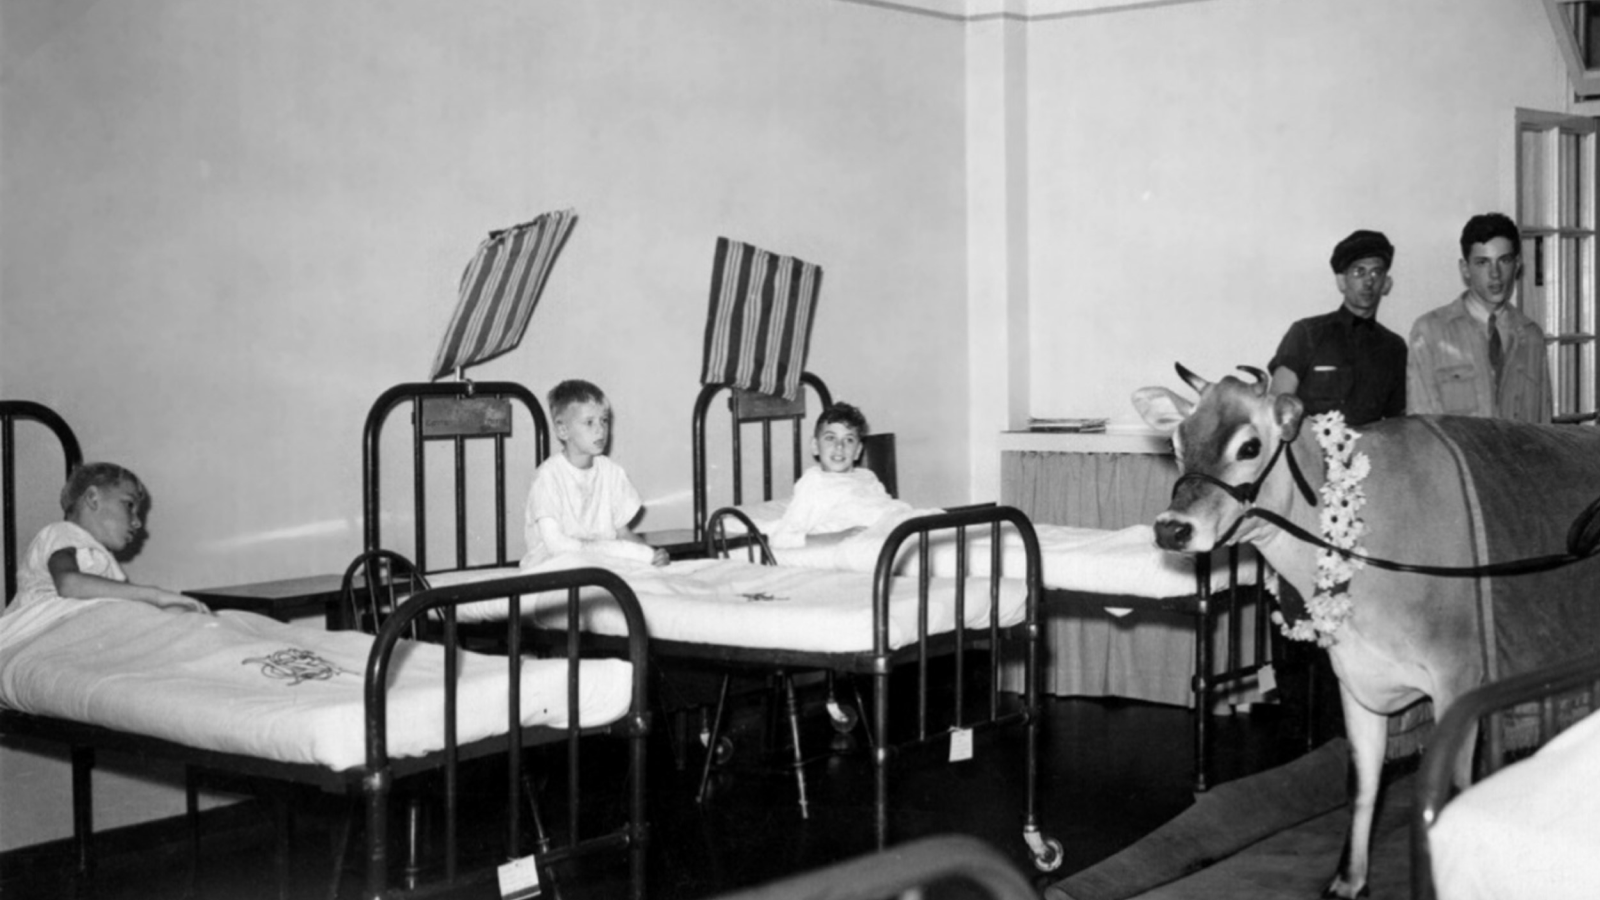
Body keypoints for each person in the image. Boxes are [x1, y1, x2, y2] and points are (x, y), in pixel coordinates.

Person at [5, 462, 210, 621]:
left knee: (175, 616)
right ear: (93, 498)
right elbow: (68, 584)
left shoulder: (102, 559)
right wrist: (155, 595)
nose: (137, 522)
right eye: (129, 505)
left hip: (80, 624)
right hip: (38, 628)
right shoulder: (61, 532)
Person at [1407, 213, 1551, 423]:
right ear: (1465, 269)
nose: (1495, 274)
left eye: (1504, 260)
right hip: (1458, 456)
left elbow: (1544, 428)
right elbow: (1422, 431)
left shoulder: (1531, 336)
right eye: (1483, 263)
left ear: (1518, 264)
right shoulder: (1430, 332)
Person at [521, 379, 668, 568]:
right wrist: (625, 553)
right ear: (563, 430)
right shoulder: (548, 477)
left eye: (604, 420)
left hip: (601, 567)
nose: (600, 429)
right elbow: (556, 545)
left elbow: (622, 534)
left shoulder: (612, 473)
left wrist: (650, 554)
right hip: (554, 568)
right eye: (589, 422)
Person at [1267, 229, 1407, 427]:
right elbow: (1277, 408)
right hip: (1308, 453)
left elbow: (1397, 423)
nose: (1369, 281)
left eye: (1377, 272)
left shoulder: (1394, 348)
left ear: (1386, 284)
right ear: (1342, 281)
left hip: (1368, 454)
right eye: (1359, 272)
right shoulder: (1306, 333)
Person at [766, 402, 909, 549]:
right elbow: (781, 538)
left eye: (849, 440)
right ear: (815, 446)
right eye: (830, 438)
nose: (839, 446)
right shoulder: (815, 482)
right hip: (867, 543)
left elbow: (886, 506)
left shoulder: (867, 477)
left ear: (858, 450)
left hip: (896, 529)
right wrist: (838, 536)